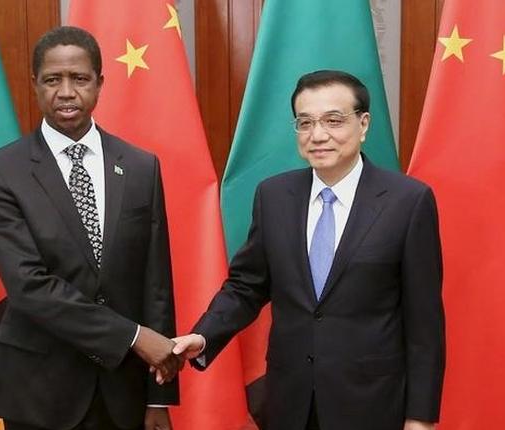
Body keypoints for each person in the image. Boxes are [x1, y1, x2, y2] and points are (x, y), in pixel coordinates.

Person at [172, 70, 445, 430]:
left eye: (334, 121)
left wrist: (420, 418)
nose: (318, 135)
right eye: (305, 123)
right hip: (290, 401)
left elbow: (425, 325)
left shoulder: (408, 202)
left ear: (363, 125)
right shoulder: (273, 197)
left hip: (372, 404)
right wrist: (204, 334)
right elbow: (247, 285)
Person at [0, 26, 179, 430]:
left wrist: (160, 398)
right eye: (53, 79)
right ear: (35, 84)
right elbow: (28, 285)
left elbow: (155, 283)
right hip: (39, 390)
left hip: (123, 390)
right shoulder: (1, 172)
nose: (66, 91)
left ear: (100, 84)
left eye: (80, 79)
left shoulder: (140, 167)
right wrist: (135, 338)